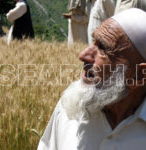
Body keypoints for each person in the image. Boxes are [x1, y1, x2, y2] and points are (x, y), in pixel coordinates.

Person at [38, 8, 146, 150]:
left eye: (103, 48)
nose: (83, 55)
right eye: (93, 41)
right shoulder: (69, 107)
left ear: (139, 75)